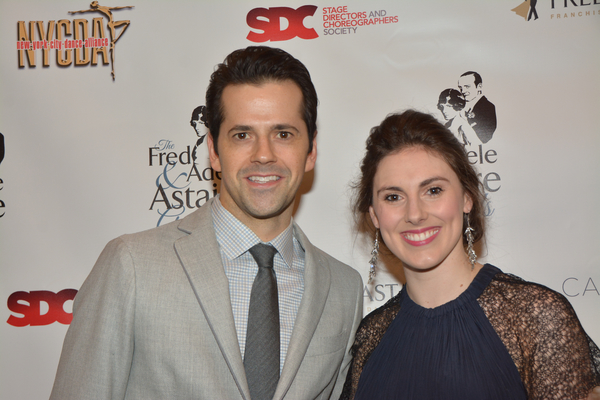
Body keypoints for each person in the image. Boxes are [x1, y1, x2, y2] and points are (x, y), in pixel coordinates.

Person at [50, 46, 363, 400]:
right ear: (214, 151)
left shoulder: (343, 290)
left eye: (283, 134)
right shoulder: (131, 266)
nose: (263, 154)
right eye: (242, 135)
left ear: (312, 151)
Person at [341, 110, 600, 399]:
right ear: (375, 216)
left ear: (467, 198)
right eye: (393, 197)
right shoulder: (371, 335)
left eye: (433, 190)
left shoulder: (535, 316)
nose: (414, 214)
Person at [458, 71, 497, 143]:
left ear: (479, 86)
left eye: (467, 87)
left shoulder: (488, 107)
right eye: (460, 88)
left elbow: (484, 139)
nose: (463, 91)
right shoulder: (464, 107)